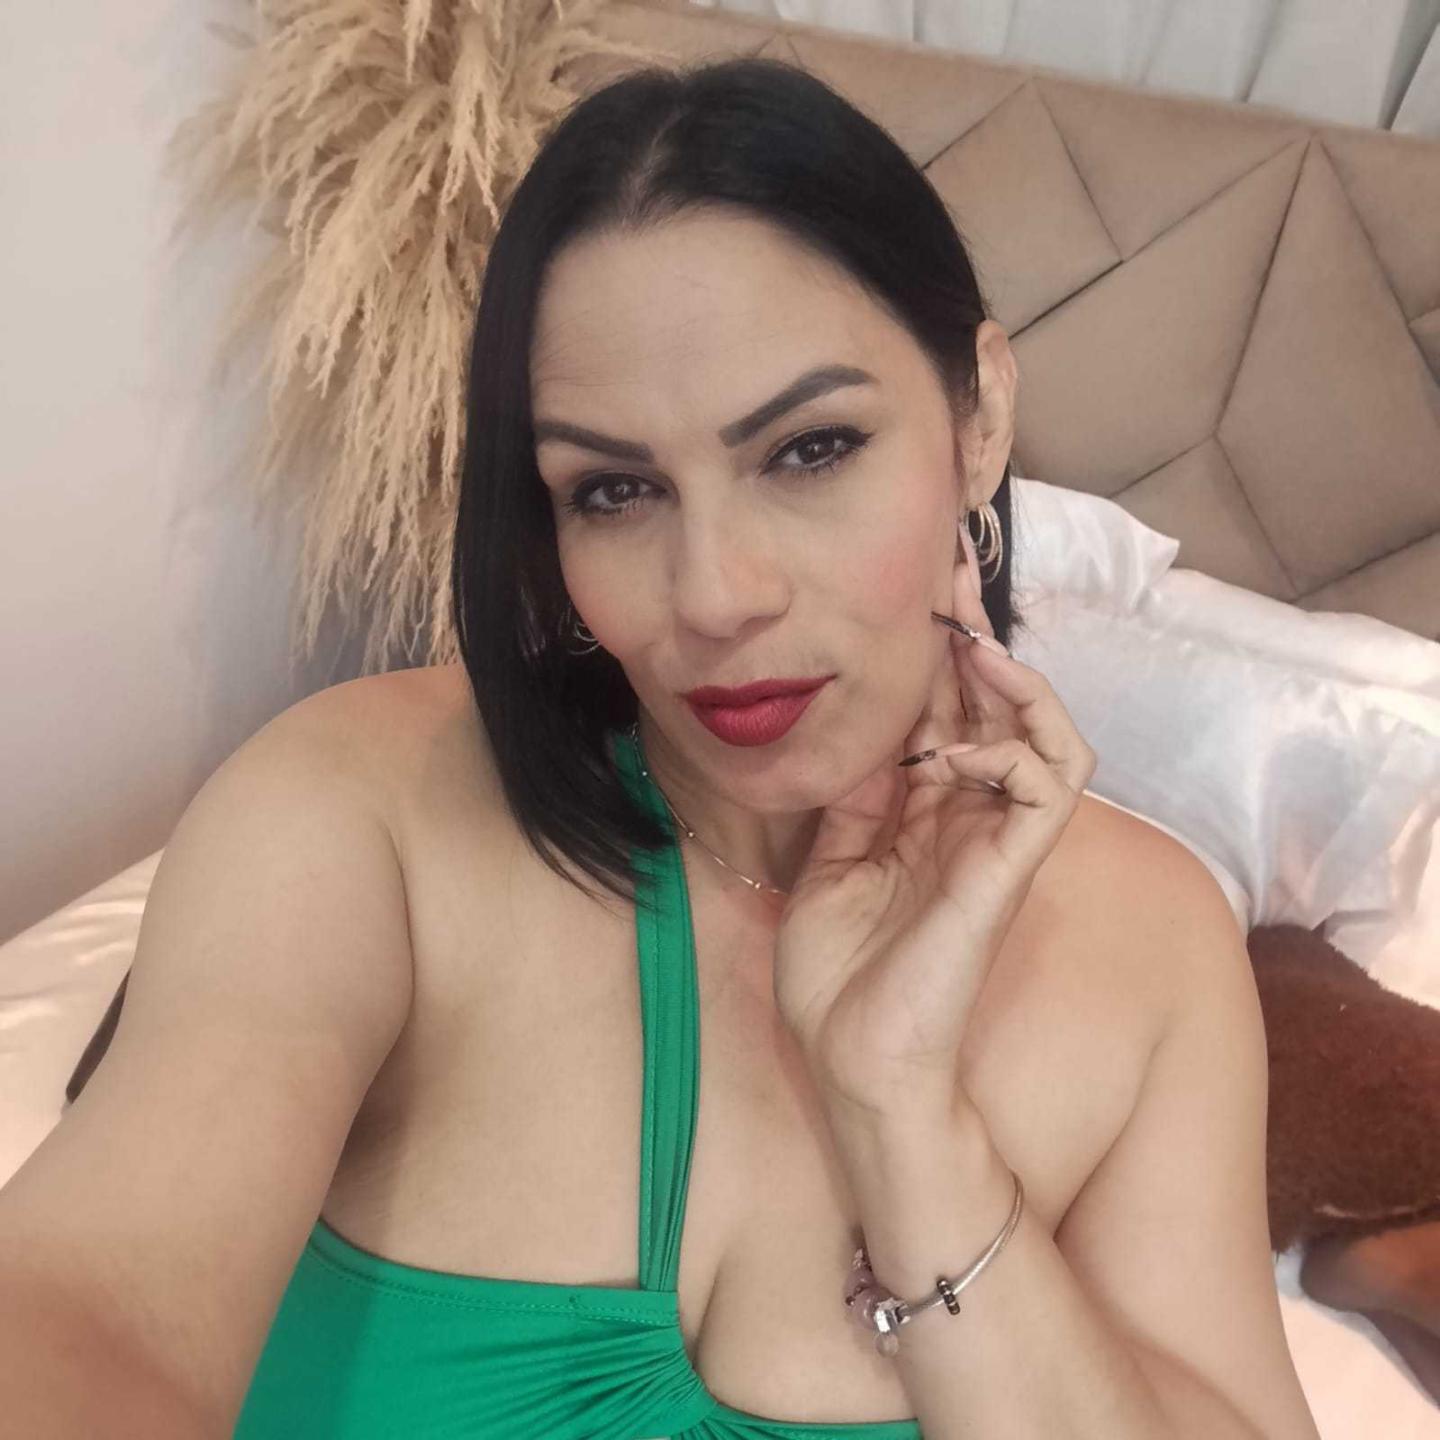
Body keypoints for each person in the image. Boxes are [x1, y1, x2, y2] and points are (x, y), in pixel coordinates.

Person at [2, 55, 1369, 1438]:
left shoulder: (1153, 948)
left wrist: (907, 1123)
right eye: (614, 489)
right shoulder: (363, 819)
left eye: (809, 449)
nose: (713, 595)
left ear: (980, 420)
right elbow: (85, 1303)